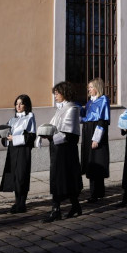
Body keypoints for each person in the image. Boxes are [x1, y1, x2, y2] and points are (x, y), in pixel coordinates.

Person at [43, 82, 83, 222]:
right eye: (55, 93)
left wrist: (50, 137)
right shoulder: (60, 109)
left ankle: (56, 210)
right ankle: (75, 206)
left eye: (57, 93)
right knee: (59, 178)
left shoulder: (72, 108)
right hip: (57, 148)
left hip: (66, 151)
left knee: (63, 178)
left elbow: (68, 134)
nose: (55, 96)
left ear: (65, 93)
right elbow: (53, 126)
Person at [0, 94, 37, 213]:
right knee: (14, 176)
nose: (18, 106)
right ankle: (17, 202)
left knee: (22, 176)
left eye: (21, 103)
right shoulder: (12, 119)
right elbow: (6, 133)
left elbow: (31, 136)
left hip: (23, 150)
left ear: (26, 105)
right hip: (13, 150)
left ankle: (22, 203)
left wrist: (14, 138)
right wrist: (4, 136)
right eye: (16, 104)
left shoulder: (30, 117)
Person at [81, 78, 110, 203]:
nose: (89, 89)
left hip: (96, 132)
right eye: (89, 87)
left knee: (96, 161)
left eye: (91, 87)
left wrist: (96, 138)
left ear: (97, 88)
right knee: (90, 161)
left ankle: (95, 193)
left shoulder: (103, 100)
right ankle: (98, 192)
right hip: (88, 131)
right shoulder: (90, 102)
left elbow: (102, 121)